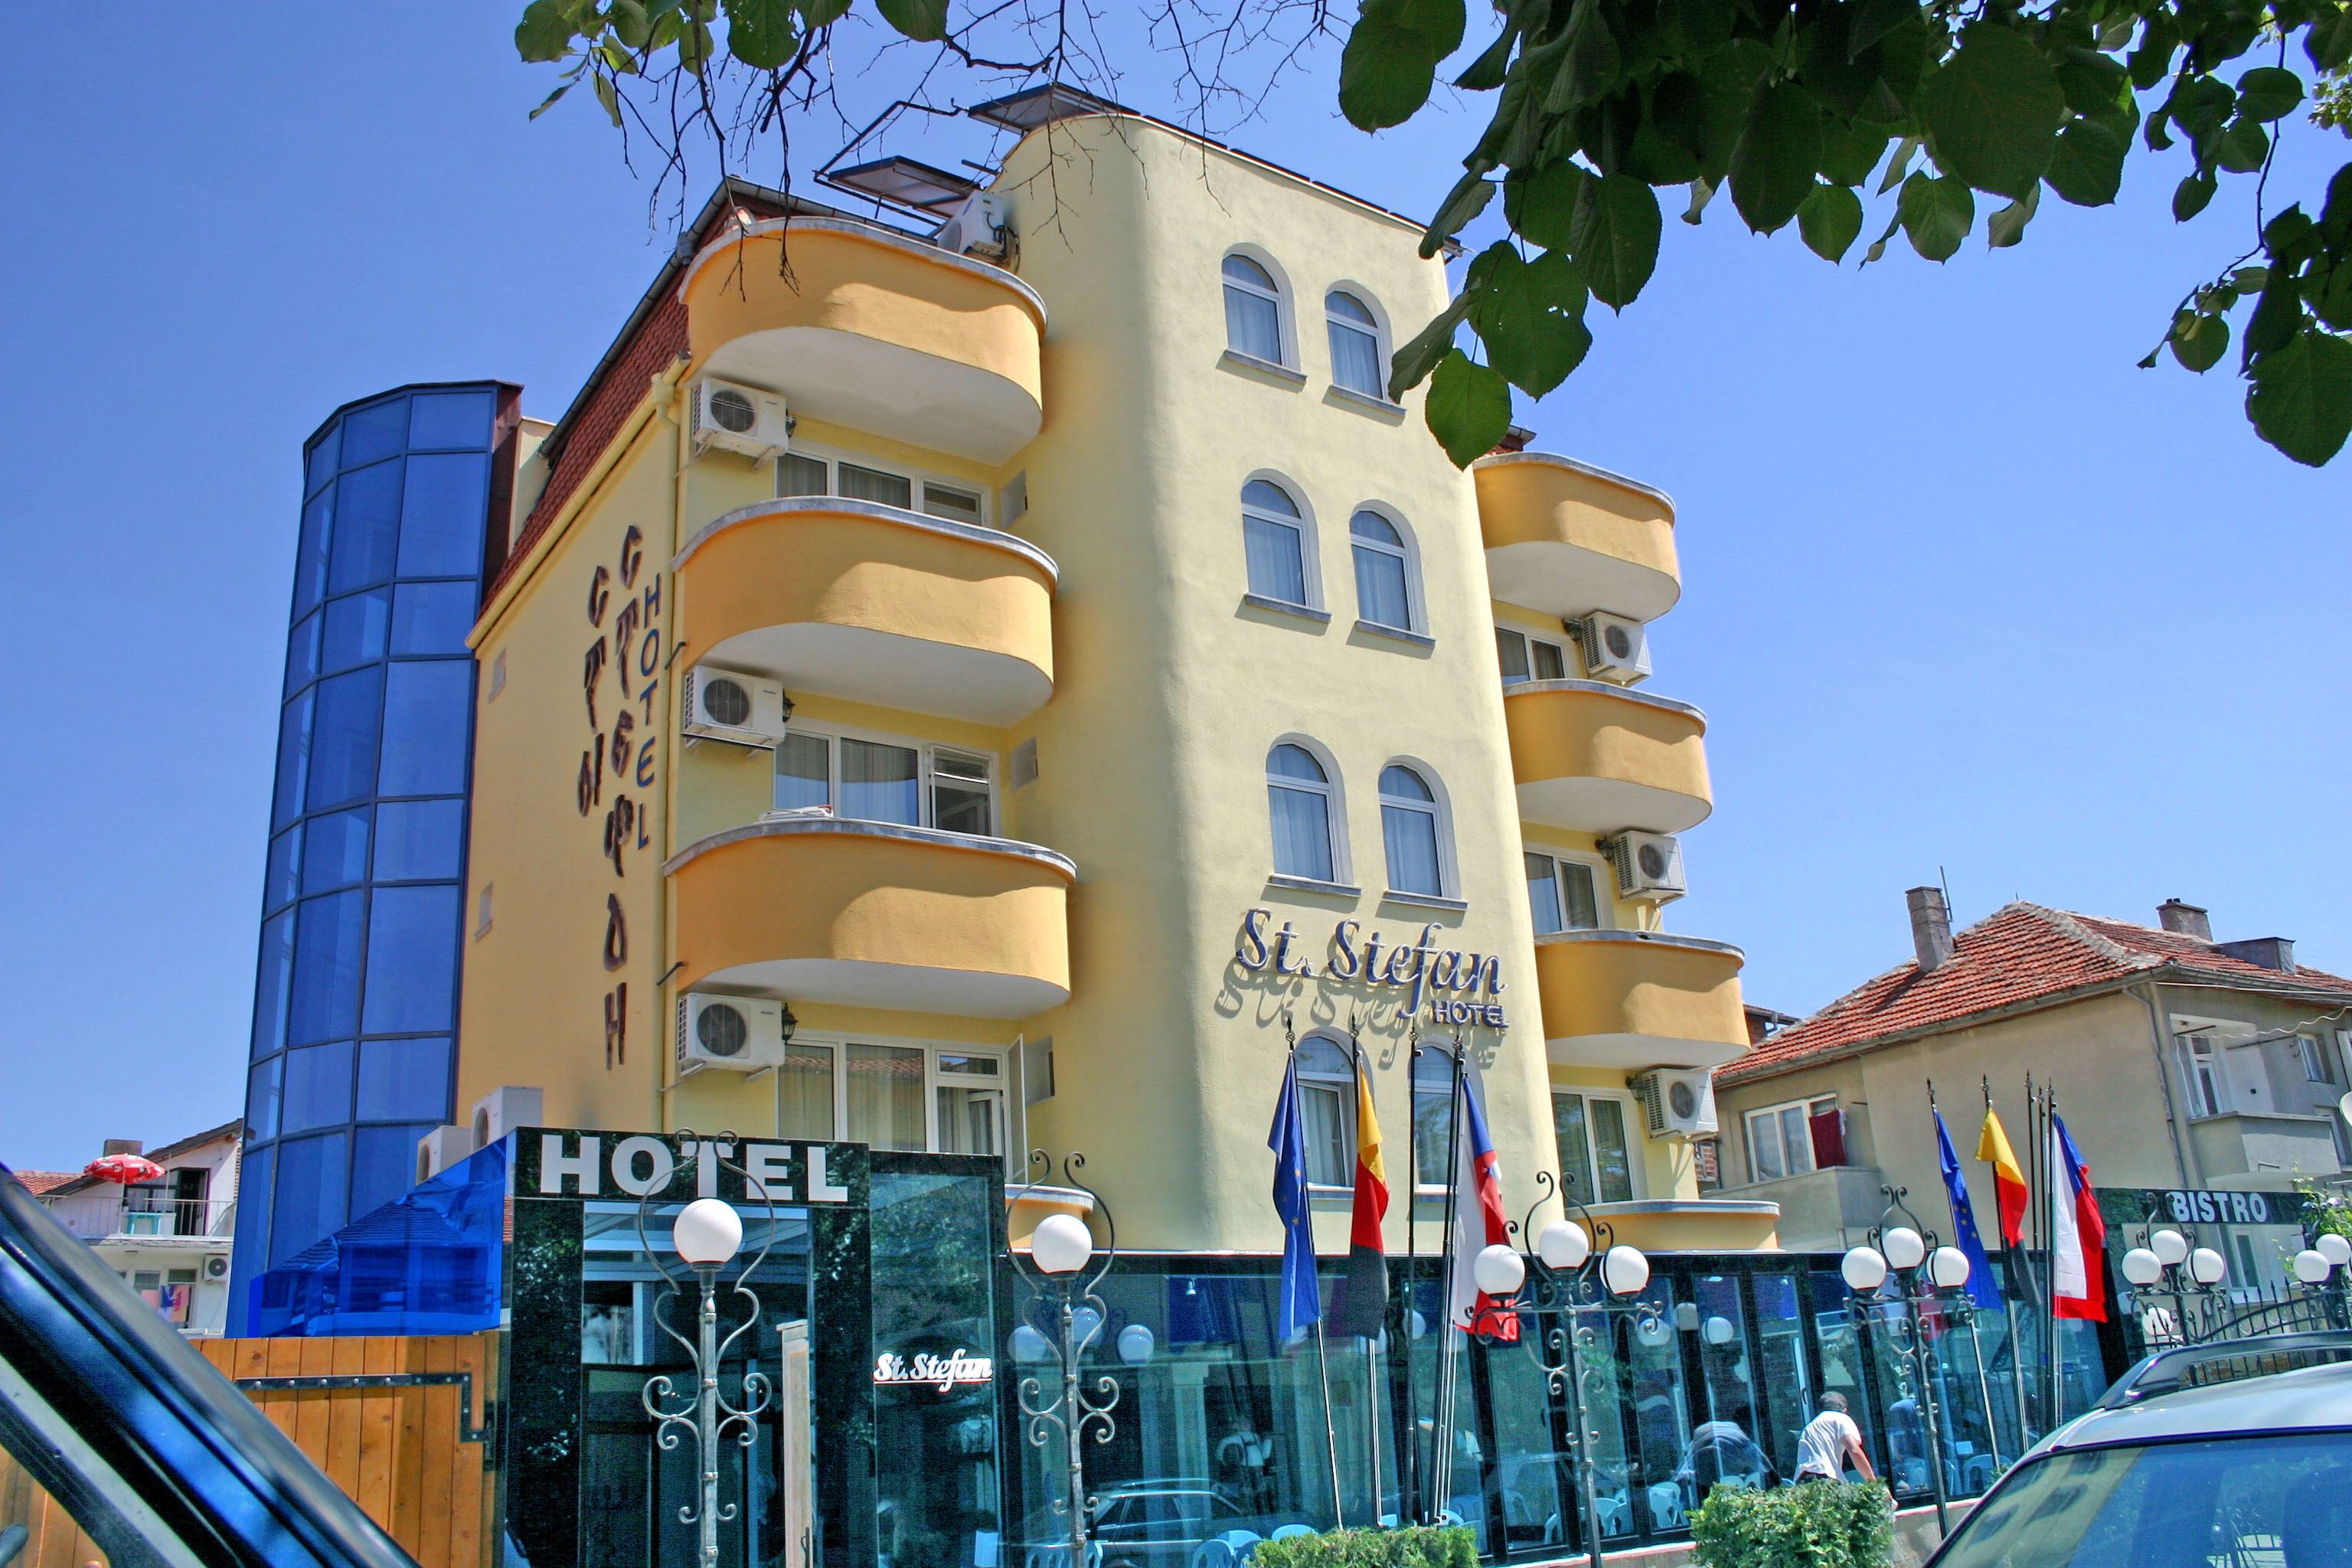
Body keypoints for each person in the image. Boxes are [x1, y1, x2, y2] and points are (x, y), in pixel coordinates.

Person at [1792, 1393, 1877, 1485]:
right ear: (1845, 1410)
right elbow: (1854, 1450)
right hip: (1826, 1478)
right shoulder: (1842, 1419)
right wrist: (1873, 1482)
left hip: (1802, 1481)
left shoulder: (1810, 1426)